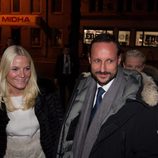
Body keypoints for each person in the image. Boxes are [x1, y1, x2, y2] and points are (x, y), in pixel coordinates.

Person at [56, 33, 158, 158]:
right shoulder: (81, 88)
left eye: (109, 61)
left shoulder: (141, 101)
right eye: (97, 60)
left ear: (119, 60)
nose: (102, 69)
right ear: (89, 59)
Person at [0, 45, 64, 158]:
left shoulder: (44, 94)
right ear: (4, 69)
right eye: (15, 69)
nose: (22, 75)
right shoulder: (1, 100)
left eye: (27, 68)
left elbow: (59, 129)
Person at [54, 45, 79, 111]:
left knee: (71, 92)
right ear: (63, 51)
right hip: (62, 76)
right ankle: (62, 107)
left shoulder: (72, 57)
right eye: (65, 50)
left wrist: (76, 77)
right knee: (62, 93)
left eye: (68, 50)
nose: (66, 51)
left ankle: (69, 105)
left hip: (70, 77)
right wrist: (56, 77)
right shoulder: (60, 57)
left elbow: (76, 68)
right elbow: (57, 67)